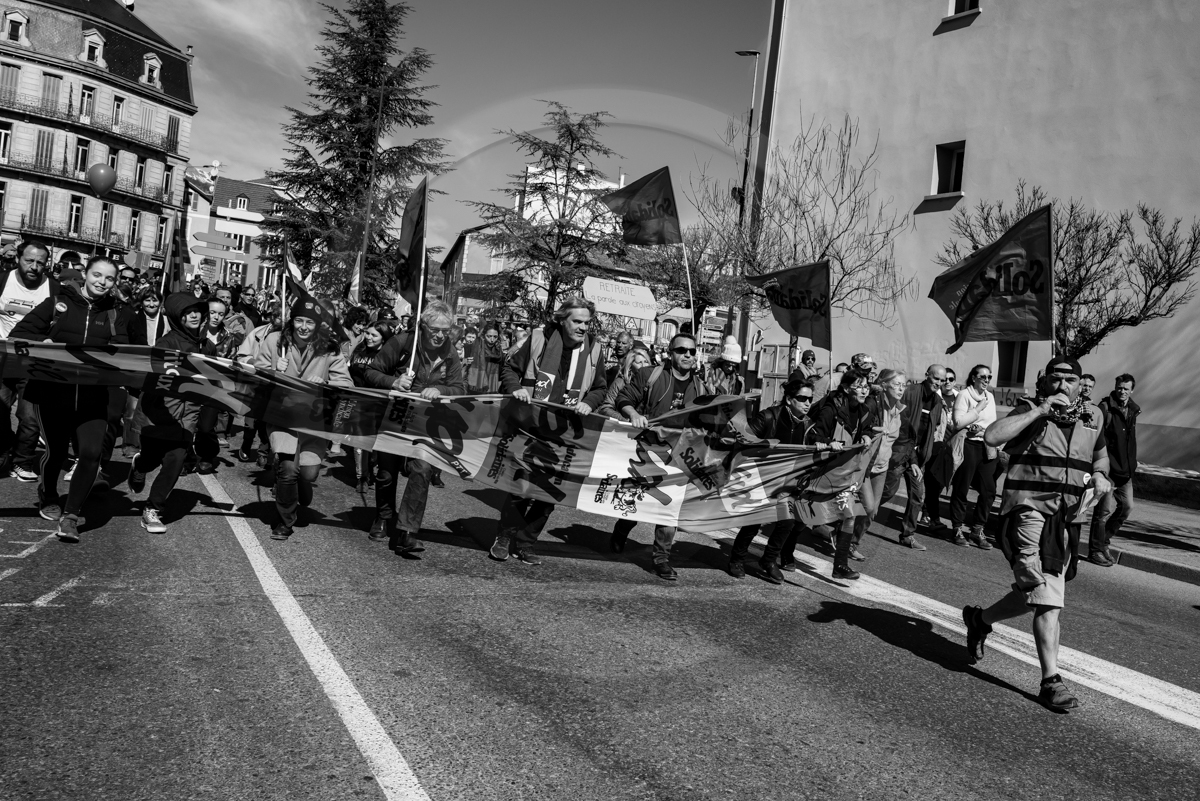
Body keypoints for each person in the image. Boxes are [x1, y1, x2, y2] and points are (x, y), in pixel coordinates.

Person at [963, 357, 1111, 711]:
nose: (1063, 385)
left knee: (1034, 591)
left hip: (1067, 517)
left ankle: (979, 620)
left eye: (1070, 379)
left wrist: (1103, 477)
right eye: (1055, 379)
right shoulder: (1029, 409)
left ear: (1081, 385)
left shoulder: (1094, 418)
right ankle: (1051, 681)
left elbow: (1101, 459)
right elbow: (992, 437)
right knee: (1046, 596)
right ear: (1044, 383)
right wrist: (1040, 410)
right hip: (1027, 510)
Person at [10, 256, 133, 543]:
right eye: (97, 275)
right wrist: (45, 344)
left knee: (91, 454)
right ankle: (49, 493)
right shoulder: (57, 303)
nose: (102, 282)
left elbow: (128, 352)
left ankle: (71, 516)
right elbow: (21, 335)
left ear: (115, 283)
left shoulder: (116, 313)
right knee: (55, 453)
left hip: (93, 397)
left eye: (109, 278)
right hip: (52, 392)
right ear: (85, 275)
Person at [490, 297, 607, 566]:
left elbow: (600, 388)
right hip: (530, 424)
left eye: (586, 323)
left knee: (548, 494)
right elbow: (509, 368)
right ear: (562, 320)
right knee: (521, 486)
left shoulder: (594, 350)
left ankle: (527, 542)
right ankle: (504, 537)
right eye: (577, 321)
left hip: (565, 431)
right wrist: (514, 388)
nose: (582, 328)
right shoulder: (539, 339)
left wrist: (588, 403)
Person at [359, 301, 464, 554]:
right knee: (386, 472)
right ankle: (384, 516)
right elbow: (371, 372)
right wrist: (393, 382)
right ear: (422, 327)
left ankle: (407, 531)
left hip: (426, 423)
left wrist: (440, 390)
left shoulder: (450, 352)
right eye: (435, 329)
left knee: (423, 469)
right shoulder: (403, 342)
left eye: (446, 330)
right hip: (394, 417)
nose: (440, 335)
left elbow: (460, 388)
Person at [612, 332, 712, 581]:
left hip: (678, 456)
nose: (688, 355)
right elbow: (623, 399)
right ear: (670, 352)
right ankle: (620, 531)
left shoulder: (701, 388)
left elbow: (709, 421)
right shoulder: (650, 375)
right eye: (681, 350)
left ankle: (661, 559)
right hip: (646, 449)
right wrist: (633, 413)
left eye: (692, 350)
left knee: (670, 509)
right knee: (635, 502)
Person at [253, 298, 353, 540]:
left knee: (307, 474)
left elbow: (346, 384)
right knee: (288, 469)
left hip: (312, 422)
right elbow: (254, 373)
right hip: (282, 416)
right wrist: (274, 370)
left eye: (310, 322)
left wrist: (326, 384)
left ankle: (297, 483)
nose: (304, 327)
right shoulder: (275, 341)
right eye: (299, 320)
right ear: (292, 320)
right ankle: (285, 521)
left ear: (318, 324)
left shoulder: (330, 348)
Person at [127, 293, 220, 533]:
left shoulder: (208, 346)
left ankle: (153, 509)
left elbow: (217, 379)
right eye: (187, 312)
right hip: (158, 413)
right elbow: (150, 376)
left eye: (197, 311)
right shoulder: (165, 344)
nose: (194, 315)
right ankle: (139, 466)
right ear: (178, 317)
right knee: (151, 459)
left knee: (175, 460)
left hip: (187, 416)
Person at [728, 377, 827, 581]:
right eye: (802, 398)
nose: (808, 403)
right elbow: (745, 439)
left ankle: (769, 560)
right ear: (790, 399)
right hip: (761, 479)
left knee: (787, 522)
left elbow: (817, 439)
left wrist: (825, 445)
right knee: (753, 523)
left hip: (788, 483)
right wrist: (764, 445)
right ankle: (736, 559)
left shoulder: (808, 424)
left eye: (810, 399)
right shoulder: (769, 416)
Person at [809, 369, 879, 580]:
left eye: (866, 386)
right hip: (820, 472)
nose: (864, 390)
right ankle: (778, 554)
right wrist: (828, 443)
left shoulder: (865, 410)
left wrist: (867, 435)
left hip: (844, 472)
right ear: (847, 389)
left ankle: (840, 565)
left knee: (849, 515)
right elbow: (813, 435)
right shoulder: (831, 409)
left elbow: (867, 427)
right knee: (799, 517)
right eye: (859, 386)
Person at [0, 240, 57, 482]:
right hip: (3, 357)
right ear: (18, 259)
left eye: (40, 263)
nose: (34, 266)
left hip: (33, 361)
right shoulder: (3, 280)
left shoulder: (53, 289)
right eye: (29, 260)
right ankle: (5, 447)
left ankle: (22, 461)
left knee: (30, 415)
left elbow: (61, 323)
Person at [1088, 374, 1138, 567]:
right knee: (1102, 512)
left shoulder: (1133, 409)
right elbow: (1098, 438)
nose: (1122, 391)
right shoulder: (1105, 408)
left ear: (1131, 390)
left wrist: (1133, 462)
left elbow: (1130, 440)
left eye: (1126, 388)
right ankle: (1095, 551)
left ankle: (1104, 542)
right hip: (1109, 469)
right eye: (1119, 387)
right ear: (1115, 387)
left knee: (1127, 507)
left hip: (1126, 470)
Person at [949, 364, 999, 549]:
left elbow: (991, 423)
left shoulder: (990, 397)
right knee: (962, 488)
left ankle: (977, 529)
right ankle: (957, 528)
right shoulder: (964, 395)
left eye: (989, 377)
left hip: (986, 446)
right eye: (983, 377)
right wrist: (976, 411)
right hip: (968, 444)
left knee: (989, 490)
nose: (986, 380)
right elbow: (958, 422)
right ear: (973, 378)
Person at [347, 320, 395, 492]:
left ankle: (372, 466)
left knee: (374, 442)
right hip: (358, 401)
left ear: (384, 338)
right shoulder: (359, 349)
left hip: (380, 404)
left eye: (374, 335)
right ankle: (361, 477)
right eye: (367, 333)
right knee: (359, 440)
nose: (368, 337)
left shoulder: (389, 354)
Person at [596, 344, 652, 418]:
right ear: (630, 366)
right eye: (639, 363)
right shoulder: (620, 382)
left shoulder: (652, 383)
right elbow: (606, 408)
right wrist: (626, 420)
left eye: (646, 361)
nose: (644, 365)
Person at [466, 322, 504, 394]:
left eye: (495, 337)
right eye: (489, 336)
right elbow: (462, 362)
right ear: (484, 335)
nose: (492, 340)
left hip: (493, 385)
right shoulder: (474, 346)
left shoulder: (498, 349)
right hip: (476, 387)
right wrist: (466, 361)